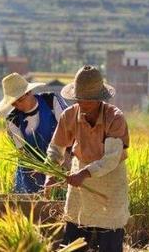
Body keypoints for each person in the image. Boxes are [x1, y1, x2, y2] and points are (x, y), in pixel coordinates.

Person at [45, 65, 129, 252]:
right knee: (74, 236)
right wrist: (51, 172)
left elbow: (111, 159)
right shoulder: (69, 115)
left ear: (100, 99)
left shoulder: (115, 118)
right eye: (79, 100)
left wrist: (84, 173)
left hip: (109, 183)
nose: (83, 104)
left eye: (88, 101)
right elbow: (56, 148)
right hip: (80, 185)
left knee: (110, 238)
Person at [0, 72, 68, 193]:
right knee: (32, 206)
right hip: (32, 172)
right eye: (13, 103)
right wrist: (41, 168)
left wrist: (57, 166)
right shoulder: (12, 119)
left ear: (29, 92)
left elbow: (69, 128)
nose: (17, 105)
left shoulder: (51, 101)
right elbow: (23, 153)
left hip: (61, 163)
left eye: (19, 100)